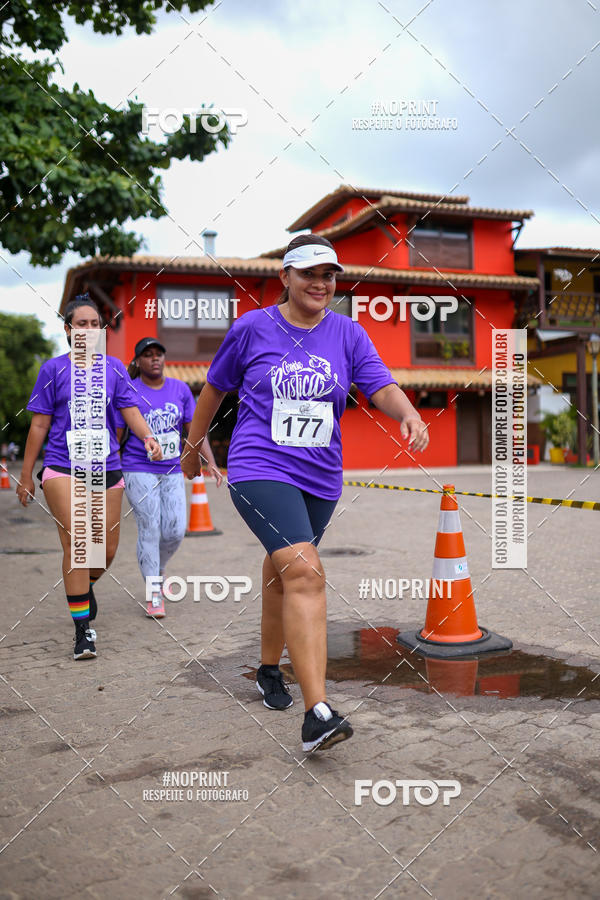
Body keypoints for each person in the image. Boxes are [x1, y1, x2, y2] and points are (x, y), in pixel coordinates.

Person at [181, 234, 429, 752]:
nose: (321, 283)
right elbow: (215, 387)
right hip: (258, 465)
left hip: (320, 476)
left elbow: (379, 385)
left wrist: (406, 413)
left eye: (330, 275)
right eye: (310, 273)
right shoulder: (253, 328)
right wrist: (194, 444)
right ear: (286, 278)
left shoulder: (348, 333)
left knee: (284, 570)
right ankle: (318, 711)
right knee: (306, 570)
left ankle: (268, 669)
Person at [16, 294, 163, 660]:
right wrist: (25, 475)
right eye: (81, 324)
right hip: (62, 467)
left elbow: (130, 411)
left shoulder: (114, 369)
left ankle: (84, 587)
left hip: (106, 469)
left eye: (95, 324)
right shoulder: (53, 370)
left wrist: (148, 437)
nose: (89, 329)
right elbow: (38, 424)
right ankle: (83, 632)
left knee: (105, 551)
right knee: (79, 543)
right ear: (68, 330)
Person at [116, 337, 222, 618]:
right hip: (137, 466)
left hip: (172, 468)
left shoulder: (180, 389)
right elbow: (117, 434)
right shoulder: (129, 391)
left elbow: (194, 430)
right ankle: (153, 595)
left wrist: (210, 461)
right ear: (138, 361)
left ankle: (158, 569)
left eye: (158, 354)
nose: (155, 359)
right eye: (148, 355)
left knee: (175, 530)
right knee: (149, 527)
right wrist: (110, 469)